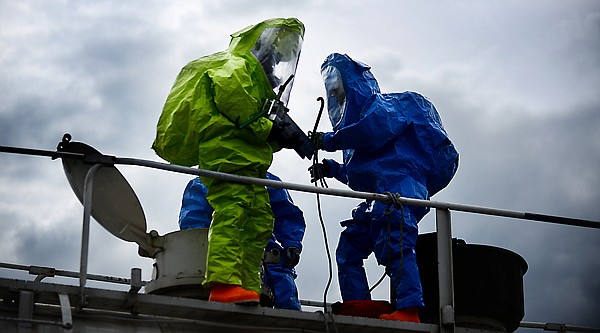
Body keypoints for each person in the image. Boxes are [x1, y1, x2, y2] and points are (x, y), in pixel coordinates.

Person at [152, 18, 305, 304]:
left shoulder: (257, 84)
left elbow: (257, 123)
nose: (275, 65)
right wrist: (272, 130)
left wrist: (280, 136)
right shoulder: (235, 67)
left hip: (250, 162)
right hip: (226, 155)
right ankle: (223, 284)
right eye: (273, 55)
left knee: (259, 222)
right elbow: (241, 111)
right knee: (231, 215)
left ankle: (247, 285)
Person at [309, 53, 459, 322]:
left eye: (338, 83)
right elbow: (362, 174)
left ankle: (409, 308)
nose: (334, 91)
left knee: (395, 242)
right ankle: (359, 304)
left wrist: (326, 141)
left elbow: (374, 130)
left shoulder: (386, 108)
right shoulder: (352, 135)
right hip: (378, 197)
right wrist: (332, 169)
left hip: (401, 190)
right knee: (350, 246)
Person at [178, 172, 306, 311]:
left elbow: (285, 214)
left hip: (266, 256)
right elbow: (195, 230)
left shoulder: (267, 181)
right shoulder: (203, 183)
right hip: (225, 254)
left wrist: (292, 244)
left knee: (287, 302)